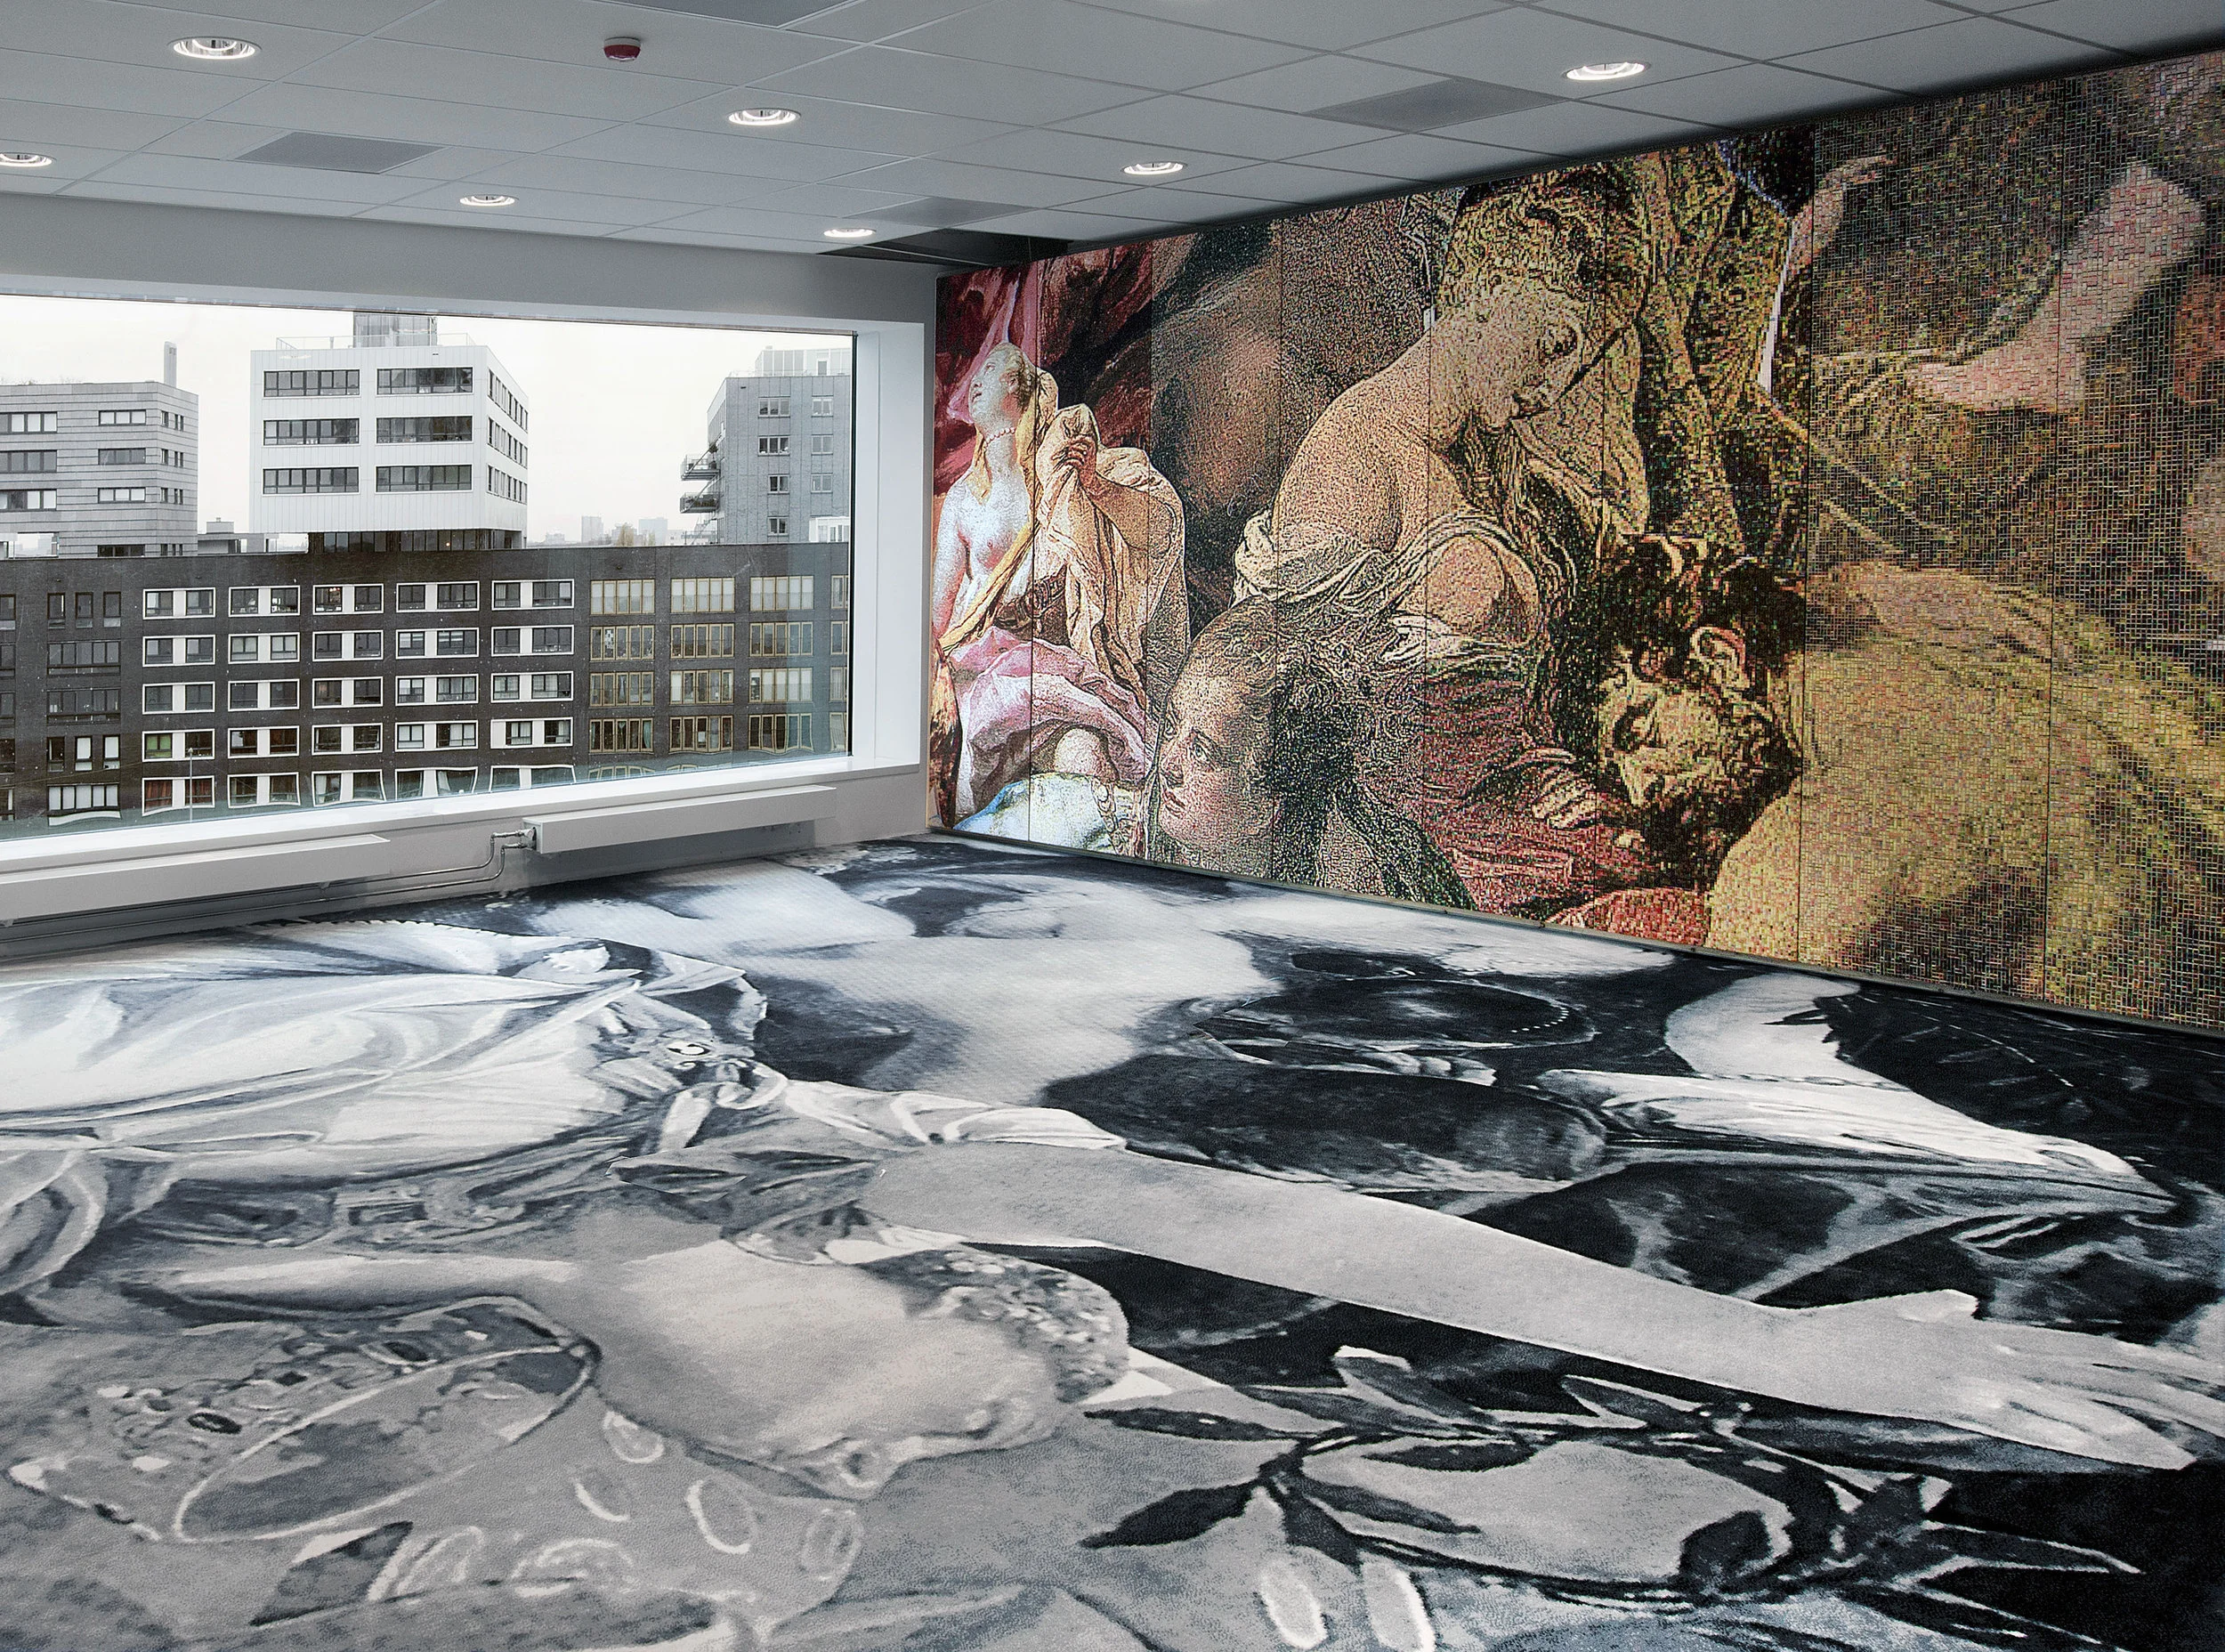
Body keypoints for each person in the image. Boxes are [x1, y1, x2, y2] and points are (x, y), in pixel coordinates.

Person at [931, 343, 1188, 832]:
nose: (976, 382)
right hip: (986, 673)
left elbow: (1160, 528)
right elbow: (938, 618)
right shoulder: (965, 497)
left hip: (1063, 668)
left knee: (1088, 758)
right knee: (969, 788)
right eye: (975, 372)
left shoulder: (1068, 468)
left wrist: (1096, 485)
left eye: (991, 370)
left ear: (1019, 387)